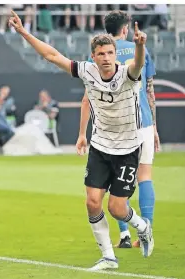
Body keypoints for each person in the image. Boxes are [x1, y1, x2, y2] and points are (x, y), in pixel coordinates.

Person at [9, 11, 154, 270]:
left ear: (114, 54)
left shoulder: (128, 75)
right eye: (101, 54)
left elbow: (138, 64)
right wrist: (23, 33)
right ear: (94, 57)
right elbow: (51, 55)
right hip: (100, 146)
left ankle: (142, 227)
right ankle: (109, 256)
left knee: (117, 208)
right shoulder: (87, 71)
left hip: (128, 147)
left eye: (110, 53)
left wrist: (140, 46)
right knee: (91, 201)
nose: (106, 58)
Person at [78, 10, 158, 249]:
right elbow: (149, 89)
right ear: (125, 29)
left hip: (109, 128)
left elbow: (87, 97)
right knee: (144, 177)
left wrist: (83, 133)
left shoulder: (98, 55)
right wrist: (154, 126)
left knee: (109, 188)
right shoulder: (138, 48)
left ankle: (123, 235)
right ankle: (146, 229)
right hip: (140, 122)